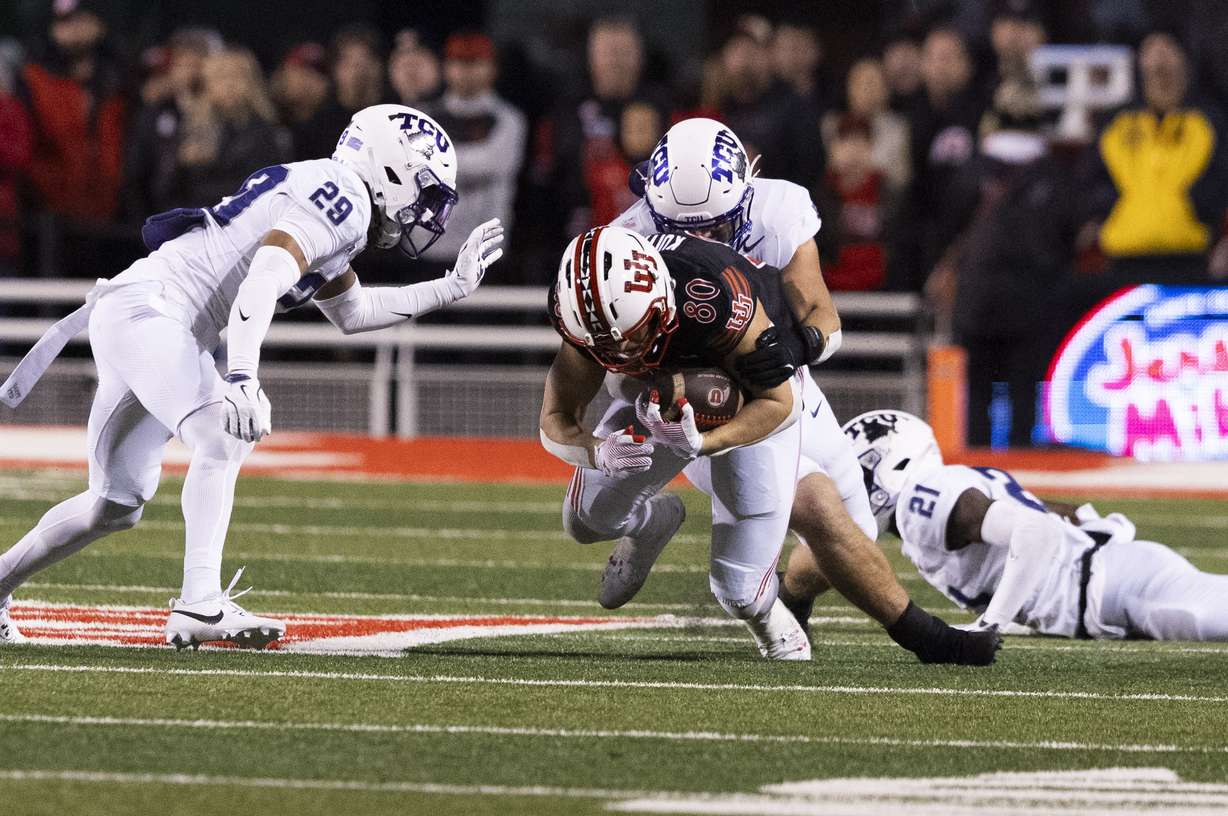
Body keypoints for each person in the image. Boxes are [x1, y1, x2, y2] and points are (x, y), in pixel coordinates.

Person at [0, 104, 505, 649]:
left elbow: (354, 313)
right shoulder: (345, 199)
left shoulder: (336, 199)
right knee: (224, 432)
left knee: (114, 505)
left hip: (143, 315)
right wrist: (241, 376)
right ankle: (199, 604)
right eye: (423, 194)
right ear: (390, 168)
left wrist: (450, 287)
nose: (423, 215)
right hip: (152, 312)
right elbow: (261, 283)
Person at [611, 119, 1000, 665]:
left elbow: (822, 313)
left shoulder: (779, 209)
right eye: (682, 226)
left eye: (714, 228)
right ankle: (925, 636)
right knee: (815, 506)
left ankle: (791, 600)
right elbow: (616, 363)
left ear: (746, 193)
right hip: (702, 406)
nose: (698, 242)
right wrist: (678, 386)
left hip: (782, 383)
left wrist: (799, 345)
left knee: (853, 531)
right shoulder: (625, 243)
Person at [540, 225, 810, 659]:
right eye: (607, 346)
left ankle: (773, 625)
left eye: (634, 334)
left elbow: (781, 403)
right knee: (585, 519)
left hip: (753, 391)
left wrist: (703, 443)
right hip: (659, 394)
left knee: (739, 592)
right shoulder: (590, 313)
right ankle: (651, 525)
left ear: (661, 299)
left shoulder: (719, 298)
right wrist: (597, 451)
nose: (622, 353)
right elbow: (554, 419)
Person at [832, 409, 1228, 642]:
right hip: (1113, 581)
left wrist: (991, 624)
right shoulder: (935, 494)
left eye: (861, 472)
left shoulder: (922, 499)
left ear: (893, 463)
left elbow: (1037, 531)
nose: (854, 486)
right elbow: (1049, 514)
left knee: (1208, 620)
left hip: (1120, 585)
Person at [421, 32, 526, 267]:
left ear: (492, 68)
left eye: (475, 63)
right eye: (459, 63)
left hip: (487, 254)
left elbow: (491, 164)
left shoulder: (509, 119)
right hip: (429, 252)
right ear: (446, 68)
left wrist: (438, 161)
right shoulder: (424, 116)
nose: (467, 71)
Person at [19, 0, 127, 224]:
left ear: (99, 23)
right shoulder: (33, 80)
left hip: (111, 219)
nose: (70, 28)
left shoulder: (120, 82)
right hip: (49, 220)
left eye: (79, 18)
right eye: (62, 21)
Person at [174, 48, 293, 207]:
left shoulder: (269, 131)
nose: (229, 84)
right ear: (207, 83)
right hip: (197, 220)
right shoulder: (191, 128)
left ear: (252, 83)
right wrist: (181, 164)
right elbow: (169, 188)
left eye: (237, 76)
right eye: (220, 77)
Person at [124, 28, 221, 217]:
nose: (190, 72)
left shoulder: (224, 115)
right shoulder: (157, 112)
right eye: (182, 64)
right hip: (161, 214)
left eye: (197, 64)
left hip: (211, 216)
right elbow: (137, 173)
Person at [822, 58, 910, 188]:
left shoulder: (898, 127)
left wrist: (856, 163)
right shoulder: (832, 124)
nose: (868, 89)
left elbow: (901, 175)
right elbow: (830, 167)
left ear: (886, 90)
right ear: (849, 87)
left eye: (874, 83)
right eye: (861, 83)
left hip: (885, 199)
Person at [270, 42, 333, 162]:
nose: (306, 80)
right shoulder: (268, 120)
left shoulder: (335, 125)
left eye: (316, 73)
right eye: (299, 71)